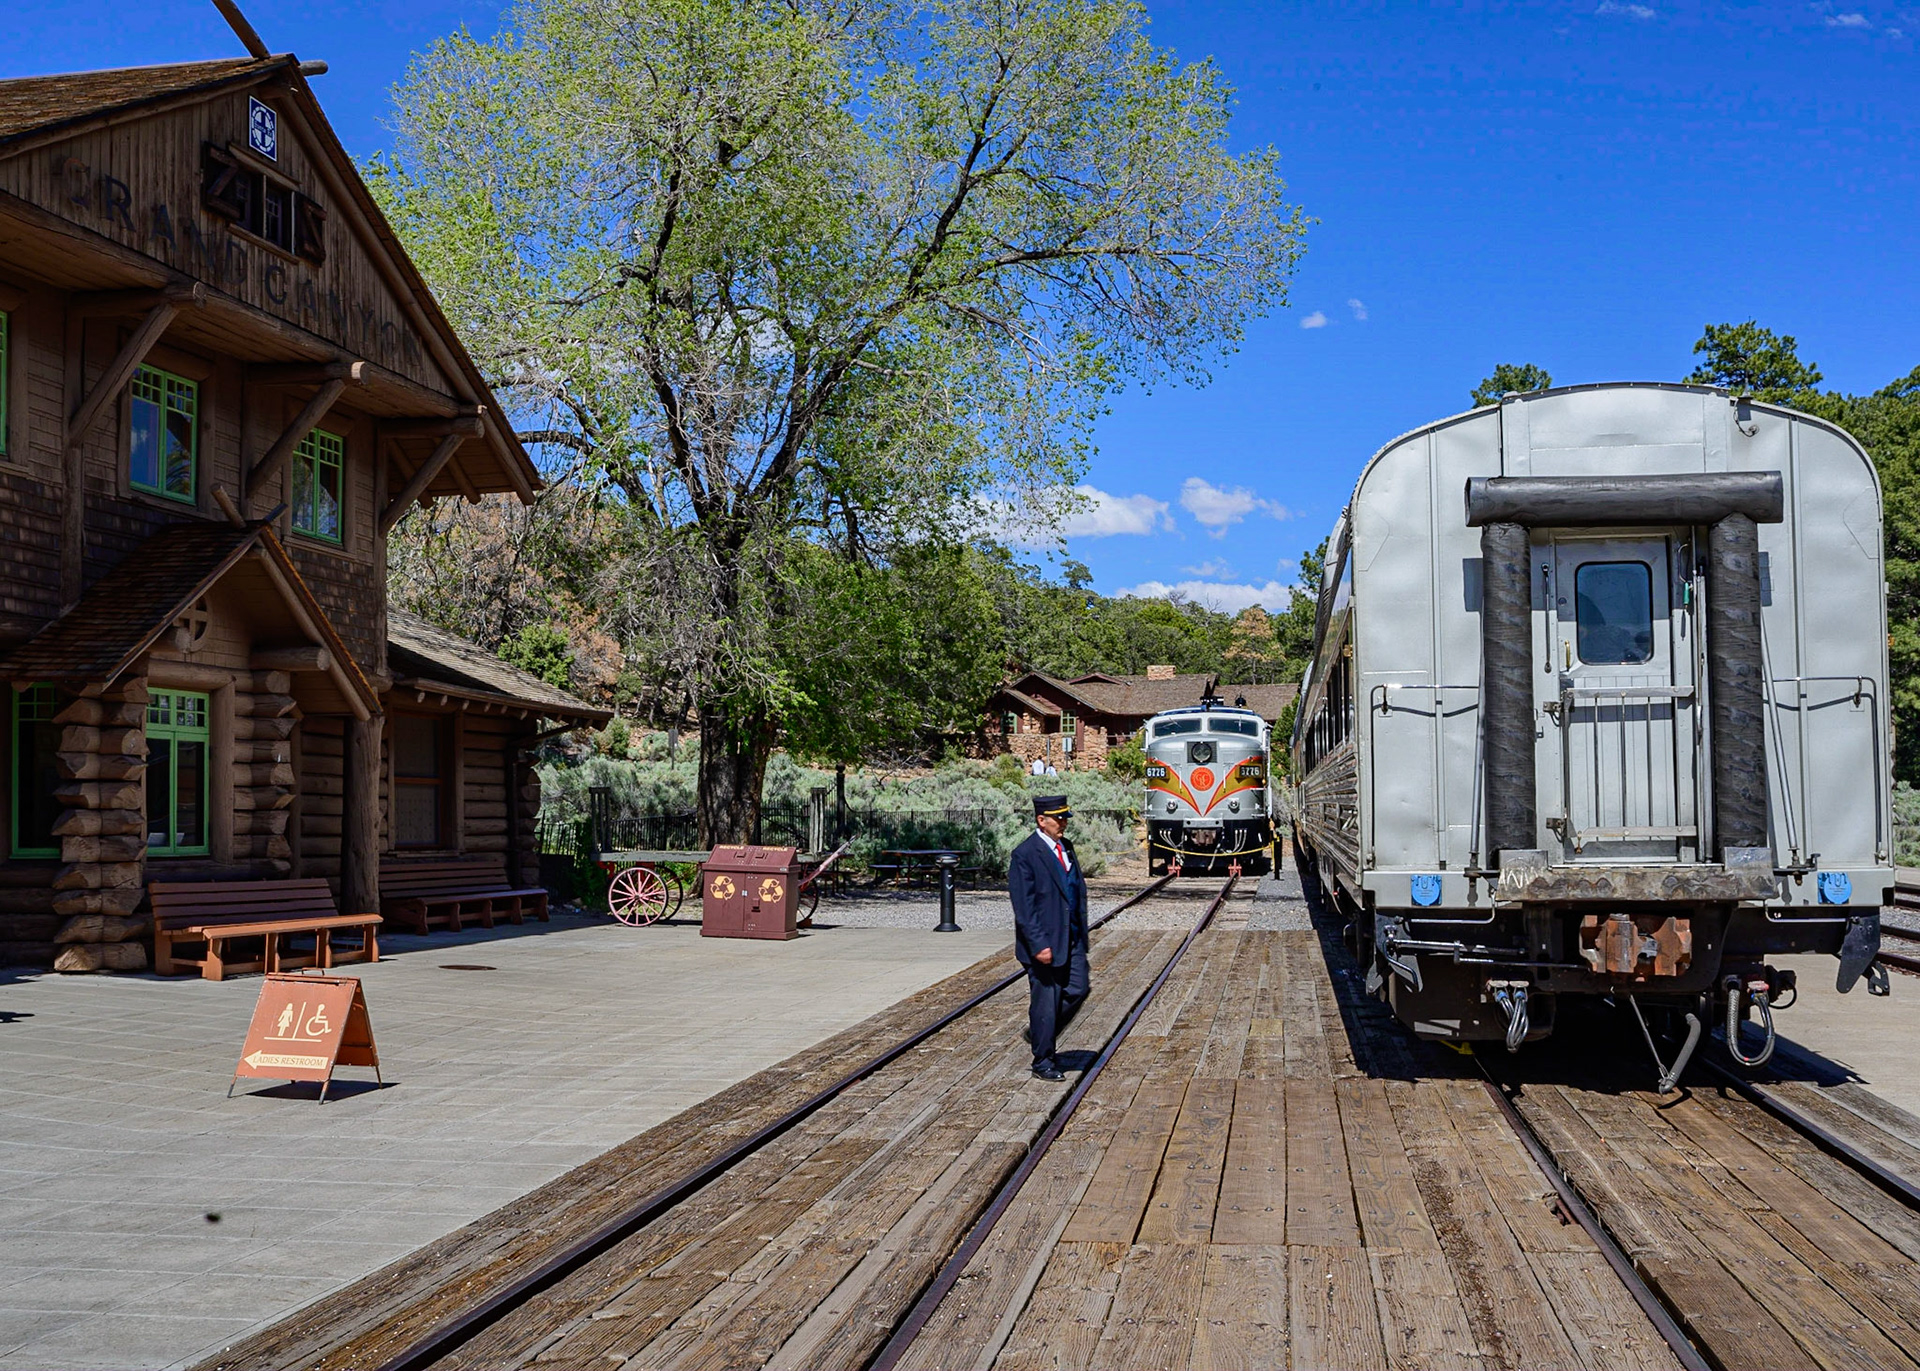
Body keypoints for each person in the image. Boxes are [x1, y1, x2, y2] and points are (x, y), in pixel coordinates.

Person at [1008, 795, 1089, 1080]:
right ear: (1041, 820)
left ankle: (1039, 1032)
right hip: (1043, 943)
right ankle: (1043, 1061)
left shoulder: (1065, 847)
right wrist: (1038, 943)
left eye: (1065, 817)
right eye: (1058, 818)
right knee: (1046, 1000)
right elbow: (1024, 907)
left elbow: (1075, 891)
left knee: (1079, 988)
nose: (1064, 822)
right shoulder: (1025, 854)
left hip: (1072, 938)